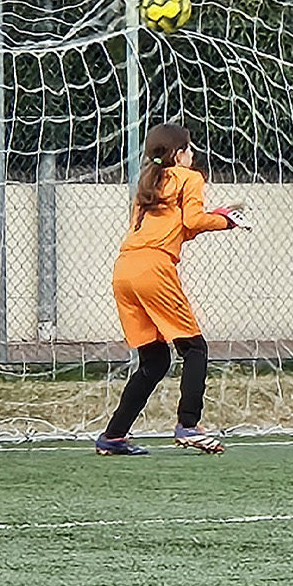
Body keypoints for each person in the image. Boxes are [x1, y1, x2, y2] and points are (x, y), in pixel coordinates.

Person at [95, 123, 247, 456]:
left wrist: (218, 216)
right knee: (194, 348)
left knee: (155, 360)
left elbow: (177, 228)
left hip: (124, 270)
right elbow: (193, 221)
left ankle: (113, 436)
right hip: (153, 269)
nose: (193, 155)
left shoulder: (148, 181)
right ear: (178, 154)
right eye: (189, 149)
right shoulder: (189, 178)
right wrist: (226, 221)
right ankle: (189, 425)